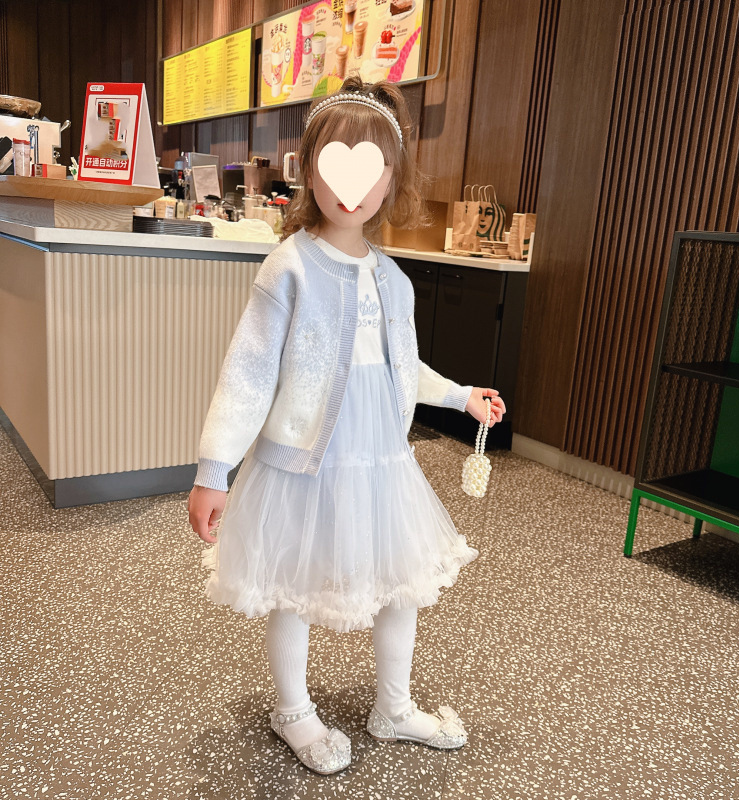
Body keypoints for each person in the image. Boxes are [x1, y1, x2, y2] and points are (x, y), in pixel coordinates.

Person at [188, 76, 506, 776]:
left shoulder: (395, 279)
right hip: (302, 461)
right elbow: (249, 372)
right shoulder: (289, 267)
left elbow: (403, 365)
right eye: (335, 163)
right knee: (292, 584)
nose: (351, 186)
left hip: (381, 459)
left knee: (400, 581)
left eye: (371, 168)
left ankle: (393, 706)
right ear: (309, 169)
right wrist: (215, 468)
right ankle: (292, 709)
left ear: (391, 179)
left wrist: (460, 397)